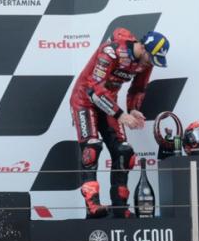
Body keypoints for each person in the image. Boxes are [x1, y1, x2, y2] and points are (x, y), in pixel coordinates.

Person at [69, 29, 169, 218]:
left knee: (124, 151)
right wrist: (121, 114)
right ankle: (93, 205)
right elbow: (95, 90)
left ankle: (120, 207)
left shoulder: (146, 63)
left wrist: (132, 109)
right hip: (84, 99)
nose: (150, 63)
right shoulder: (111, 51)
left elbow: (138, 89)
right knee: (91, 148)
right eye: (151, 58)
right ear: (142, 47)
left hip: (109, 103)